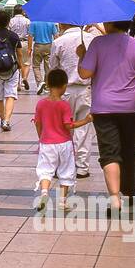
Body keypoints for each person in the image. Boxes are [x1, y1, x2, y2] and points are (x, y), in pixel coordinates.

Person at [78, 19, 135, 215]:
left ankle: (114, 199)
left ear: (110, 24)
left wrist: (82, 56)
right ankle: (128, 194)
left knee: (110, 152)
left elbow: (85, 73)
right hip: (131, 107)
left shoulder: (97, 44)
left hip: (103, 108)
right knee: (129, 150)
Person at [33, 68, 90, 213]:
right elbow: (68, 125)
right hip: (64, 143)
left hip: (47, 143)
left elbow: (38, 123)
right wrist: (86, 120)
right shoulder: (64, 105)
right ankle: (62, 202)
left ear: (47, 83)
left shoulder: (41, 104)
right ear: (65, 85)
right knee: (66, 171)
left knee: (45, 170)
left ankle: (44, 193)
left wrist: (41, 137)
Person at [48, 21, 94, 178]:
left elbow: (53, 68)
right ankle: (82, 166)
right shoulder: (91, 39)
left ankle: (62, 165)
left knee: (62, 128)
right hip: (86, 89)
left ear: (61, 24)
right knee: (84, 128)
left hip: (64, 90)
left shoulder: (58, 42)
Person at [28, 16, 58, 94]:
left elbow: (30, 36)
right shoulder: (51, 22)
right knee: (48, 66)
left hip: (38, 45)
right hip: (49, 45)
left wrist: (29, 48)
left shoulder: (34, 22)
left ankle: (40, 82)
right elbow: (56, 35)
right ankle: (47, 85)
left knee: (36, 66)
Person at [9, 6, 32, 91]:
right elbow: (30, 34)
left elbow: (9, 33)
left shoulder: (11, 21)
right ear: (22, 11)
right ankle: (24, 78)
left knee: (16, 63)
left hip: (14, 43)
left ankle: (17, 84)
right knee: (26, 63)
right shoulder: (27, 21)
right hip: (25, 42)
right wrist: (30, 47)